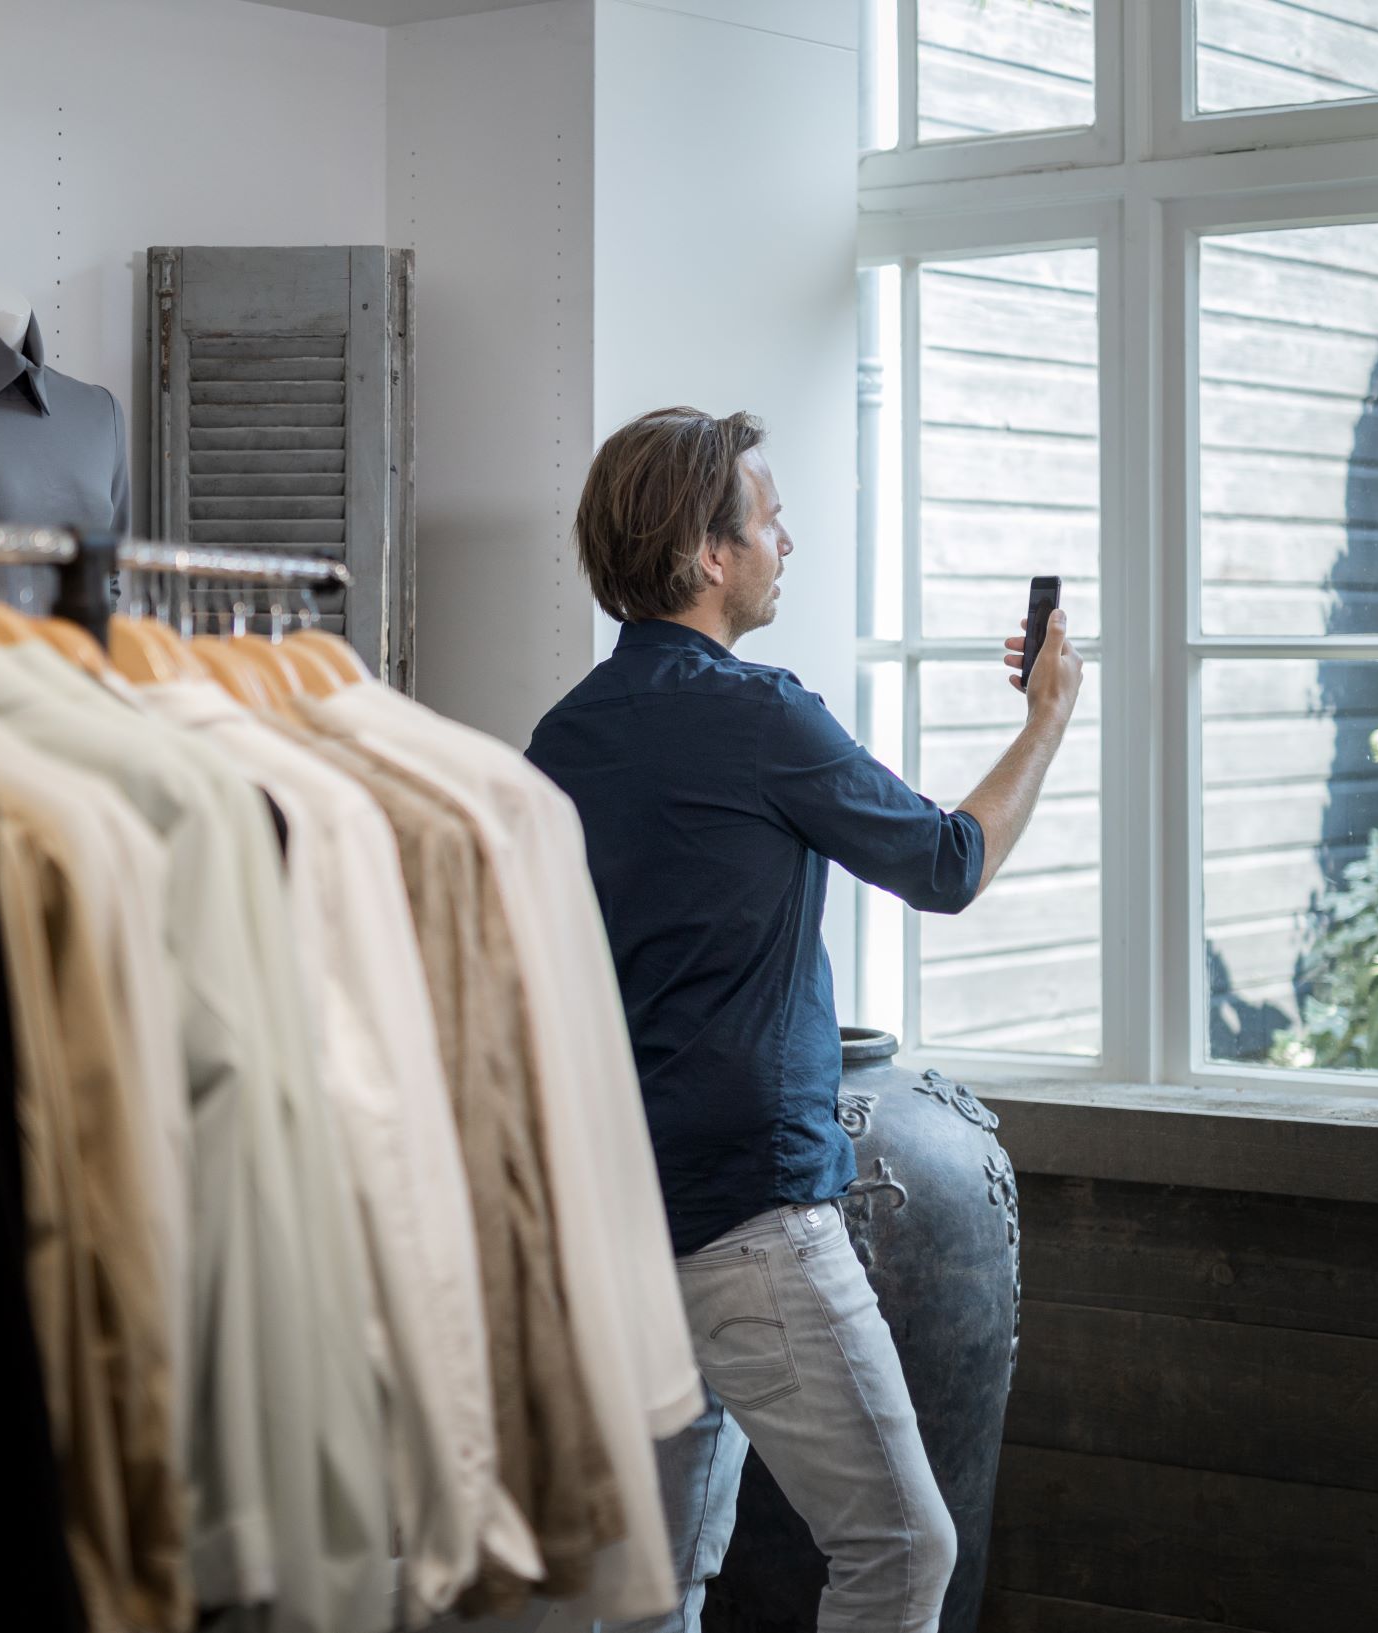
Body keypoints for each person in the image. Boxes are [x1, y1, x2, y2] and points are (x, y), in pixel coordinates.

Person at [524, 406, 1084, 1632]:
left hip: (615, 1224)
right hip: (752, 1223)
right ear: (707, 554)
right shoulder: (760, 715)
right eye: (768, 517)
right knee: (901, 1546)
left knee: (654, 1582)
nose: (788, 536)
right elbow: (947, 862)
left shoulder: (562, 738)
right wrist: (1044, 720)